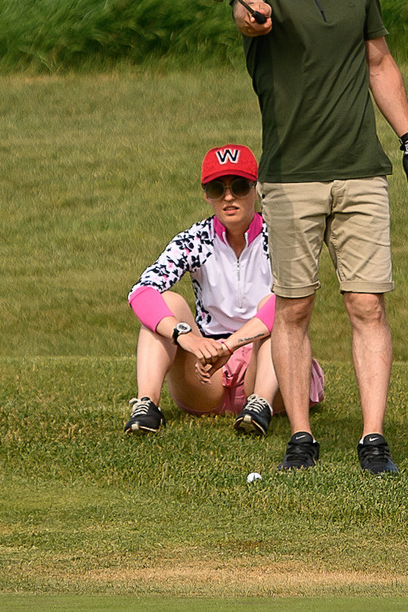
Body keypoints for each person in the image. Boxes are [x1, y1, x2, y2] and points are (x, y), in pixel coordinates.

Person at [228, 0, 408, 475]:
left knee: (367, 304)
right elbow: (246, 13)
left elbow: (378, 60)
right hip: (292, 176)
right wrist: (252, 15)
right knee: (293, 307)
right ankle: (300, 436)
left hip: (361, 170)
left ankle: (372, 439)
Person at [124, 143, 325, 437]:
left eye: (239, 186)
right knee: (167, 303)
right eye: (218, 189)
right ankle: (146, 406)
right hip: (207, 373)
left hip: (267, 365)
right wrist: (188, 339)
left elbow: (292, 302)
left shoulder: (280, 236)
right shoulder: (195, 239)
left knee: (277, 304)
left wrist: (229, 346)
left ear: (255, 189)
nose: (229, 197)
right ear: (207, 195)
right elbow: (141, 292)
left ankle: (259, 405)